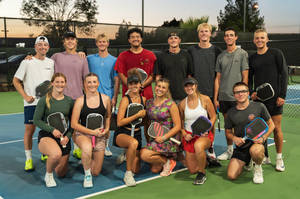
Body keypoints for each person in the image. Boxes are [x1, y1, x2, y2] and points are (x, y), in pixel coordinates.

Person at [114, 28, 156, 165]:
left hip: (147, 95)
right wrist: (132, 85)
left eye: (137, 37)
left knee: (147, 123)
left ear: (141, 38)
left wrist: (142, 85)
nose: (135, 39)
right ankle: (126, 150)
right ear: (129, 40)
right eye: (132, 37)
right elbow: (120, 74)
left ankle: (150, 148)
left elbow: (153, 75)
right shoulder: (123, 56)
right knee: (127, 121)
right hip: (129, 95)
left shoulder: (150, 55)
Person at [248, 29, 288, 171]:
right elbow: (249, 79)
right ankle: (265, 156)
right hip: (259, 101)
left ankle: (279, 158)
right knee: (260, 129)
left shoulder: (276, 54)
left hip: (275, 100)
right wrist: (252, 93)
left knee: (276, 128)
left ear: (267, 39)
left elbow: (284, 74)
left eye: (262, 38)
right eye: (257, 38)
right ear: (254, 40)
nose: (260, 40)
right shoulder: (252, 58)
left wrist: (282, 95)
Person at [13, 36, 54, 171]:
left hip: (47, 102)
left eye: (45, 45)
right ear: (35, 47)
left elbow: (52, 83)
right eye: (40, 44)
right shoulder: (27, 62)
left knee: (46, 129)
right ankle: (28, 158)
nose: (43, 47)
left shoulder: (51, 62)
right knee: (30, 131)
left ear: (48, 47)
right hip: (31, 103)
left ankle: (44, 153)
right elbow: (16, 81)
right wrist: (25, 96)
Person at [226, 82, 275, 184]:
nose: (240, 94)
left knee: (256, 152)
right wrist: (234, 138)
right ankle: (247, 161)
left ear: (248, 93)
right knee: (231, 176)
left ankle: (257, 168)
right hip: (241, 147)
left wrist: (263, 138)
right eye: (237, 92)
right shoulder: (231, 112)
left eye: (243, 91)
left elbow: (271, 125)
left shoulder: (259, 106)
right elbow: (228, 132)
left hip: (257, 144)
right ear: (234, 95)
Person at [51, 31, 89, 160]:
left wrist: (87, 96)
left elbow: (86, 80)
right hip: (60, 98)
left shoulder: (82, 58)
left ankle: (77, 149)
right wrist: (30, 57)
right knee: (59, 126)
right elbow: (43, 64)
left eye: (72, 39)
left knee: (75, 126)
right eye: (67, 39)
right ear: (64, 42)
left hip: (77, 98)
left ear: (76, 42)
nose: (70, 41)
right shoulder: (56, 57)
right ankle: (55, 148)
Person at [187, 23, 222, 159]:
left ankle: (210, 146)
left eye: (206, 31)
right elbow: (189, 72)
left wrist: (216, 96)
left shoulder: (216, 50)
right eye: (201, 31)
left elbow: (218, 74)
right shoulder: (191, 50)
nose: (204, 33)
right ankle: (196, 145)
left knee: (209, 120)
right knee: (194, 119)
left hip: (211, 92)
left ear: (210, 33)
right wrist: (191, 89)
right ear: (198, 34)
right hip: (195, 92)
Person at [214, 27, 249, 161]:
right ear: (224, 38)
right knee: (228, 126)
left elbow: (245, 77)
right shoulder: (221, 56)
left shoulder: (242, 54)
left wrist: (242, 95)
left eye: (231, 35)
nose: (229, 37)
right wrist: (216, 97)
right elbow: (217, 79)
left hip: (238, 98)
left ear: (236, 37)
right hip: (224, 97)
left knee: (241, 126)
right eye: (226, 35)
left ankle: (243, 153)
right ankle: (229, 151)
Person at [33, 72, 74, 187]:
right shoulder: (44, 100)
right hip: (47, 136)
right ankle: (48, 175)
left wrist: (68, 137)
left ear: (65, 84)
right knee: (56, 154)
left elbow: (74, 123)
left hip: (64, 139)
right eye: (57, 82)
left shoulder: (69, 101)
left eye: (62, 82)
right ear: (52, 83)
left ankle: (54, 160)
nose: (59, 84)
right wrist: (52, 130)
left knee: (61, 173)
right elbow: (36, 120)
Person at [71, 73, 111, 188]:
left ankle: (87, 160)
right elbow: (74, 124)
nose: (92, 84)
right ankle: (87, 175)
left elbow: (108, 117)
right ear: (85, 84)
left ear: (98, 83)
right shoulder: (80, 101)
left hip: (99, 137)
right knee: (87, 148)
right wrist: (92, 132)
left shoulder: (105, 99)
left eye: (94, 82)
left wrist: (106, 129)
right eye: (89, 82)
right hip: (82, 134)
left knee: (96, 172)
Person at [178, 78, 218, 185]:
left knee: (198, 145)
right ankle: (207, 161)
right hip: (190, 136)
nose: (189, 88)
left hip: (204, 135)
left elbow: (213, 116)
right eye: (186, 86)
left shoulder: (205, 99)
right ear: (184, 88)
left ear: (196, 86)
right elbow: (180, 125)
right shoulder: (182, 104)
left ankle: (201, 174)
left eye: (191, 85)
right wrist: (184, 134)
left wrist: (207, 128)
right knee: (192, 170)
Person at [140, 78, 181, 177]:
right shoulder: (149, 103)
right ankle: (168, 159)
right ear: (155, 87)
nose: (160, 89)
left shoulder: (171, 104)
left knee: (143, 154)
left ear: (166, 90)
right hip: (155, 138)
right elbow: (147, 123)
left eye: (163, 87)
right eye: (159, 86)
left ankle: (168, 161)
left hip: (169, 139)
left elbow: (178, 126)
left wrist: (163, 138)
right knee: (155, 169)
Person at [112, 69, 147, 187]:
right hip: (122, 133)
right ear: (128, 85)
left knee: (136, 169)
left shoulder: (144, 100)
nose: (133, 86)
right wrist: (137, 115)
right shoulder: (125, 100)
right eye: (131, 84)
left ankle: (126, 153)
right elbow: (120, 122)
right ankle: (127, 175)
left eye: (136, 83)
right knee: (132, 143)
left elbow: (143, 121)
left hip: (137, 133)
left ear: (140, 85)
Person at [87, 33, 120, 157]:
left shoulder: (114, 60)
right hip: (92, 96)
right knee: (92, 121)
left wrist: (115, 97)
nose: (102, 44)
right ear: (96, 44)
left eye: (104, 41)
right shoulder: (90, 58)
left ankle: (105, 146)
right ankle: (91, 146)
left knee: (107, 122)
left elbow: (117, 79)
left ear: (108, 43)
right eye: (99, 42)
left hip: (108, 96)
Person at [154, 31, 194, 104]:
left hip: (182, 96)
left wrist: (189, 92)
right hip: (166, 96)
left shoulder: (186, 56)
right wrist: (158, 92)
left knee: (180, 116)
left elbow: (189, 77)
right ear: (168, 41)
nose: (173, 40)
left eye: (176, 38)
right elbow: (158, 76)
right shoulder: (161, 56)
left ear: (179, 40)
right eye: (171, 38)